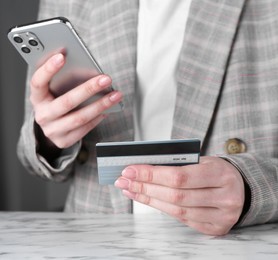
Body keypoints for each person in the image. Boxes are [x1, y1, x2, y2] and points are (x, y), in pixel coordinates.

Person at [17, 0, 278, 236]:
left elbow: (258, 187)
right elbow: (31, 156)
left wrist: (252, 186)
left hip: (233, 244)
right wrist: (48, 137)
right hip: (98, 239)